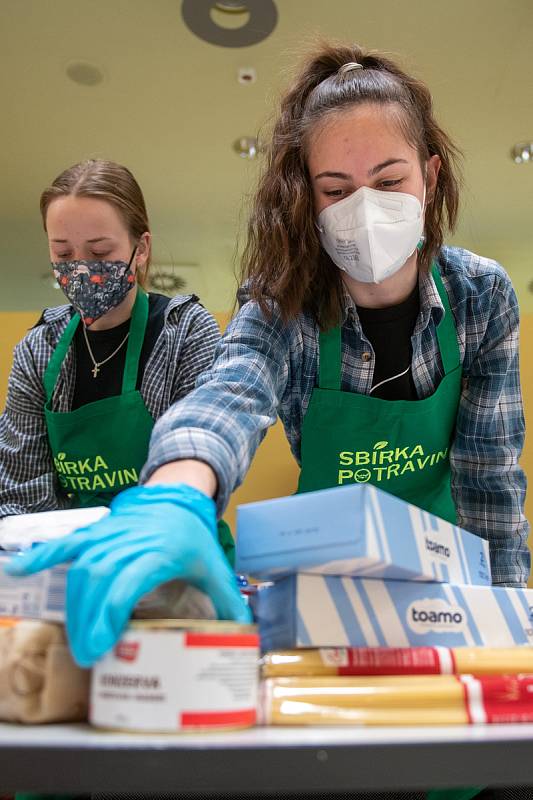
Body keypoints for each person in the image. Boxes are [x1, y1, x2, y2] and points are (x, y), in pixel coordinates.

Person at [7, 44, 529, 675]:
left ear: (431, 176)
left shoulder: (482, 296)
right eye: (336, 189)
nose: (364, 209)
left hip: (450, 588)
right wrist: (175, 498)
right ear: (307, 200)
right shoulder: (283, 300)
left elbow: (490, 483)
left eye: (390, 182)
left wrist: (509, 625)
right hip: (327, 589)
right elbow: (228, 395)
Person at [1, 159, 247, 649]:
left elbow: (201, 444)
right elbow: (21, 490)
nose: (81, 268)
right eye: (62, 252)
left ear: (141, 249)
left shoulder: (184, 331)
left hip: (174, 576)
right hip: (71, 572)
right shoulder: (38, 350)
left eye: (99, 251)